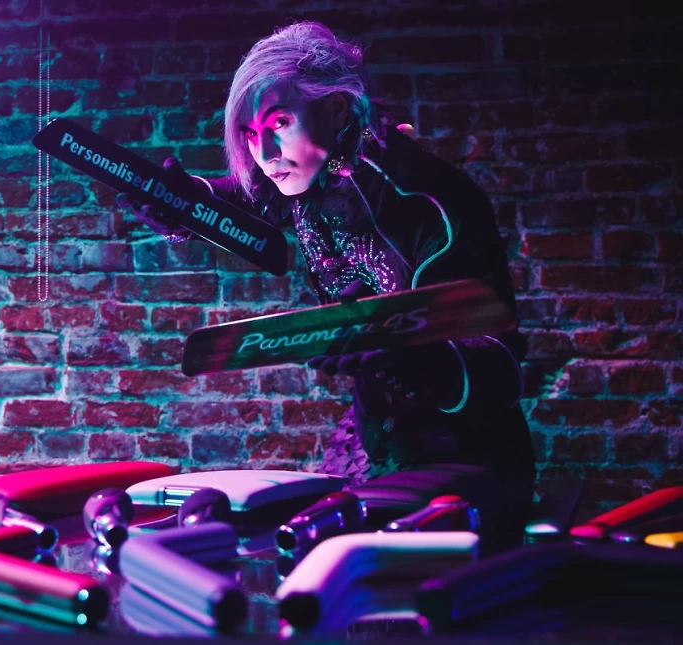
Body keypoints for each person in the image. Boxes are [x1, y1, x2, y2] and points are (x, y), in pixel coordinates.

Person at [118, 22, 535, 551]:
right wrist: (185, 200)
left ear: (337, 109)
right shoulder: (316, 171)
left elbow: (501, 370)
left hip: (469, 465)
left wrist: (404, 351)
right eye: (250, 134)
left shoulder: (428, 204)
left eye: (280, 122)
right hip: (375, 446)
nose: (266, 152)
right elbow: (251, 196)